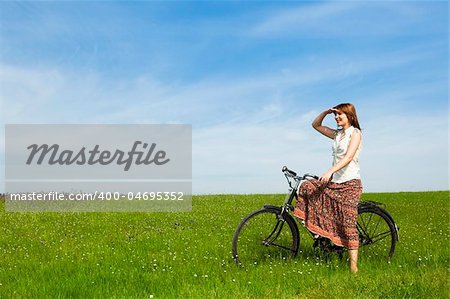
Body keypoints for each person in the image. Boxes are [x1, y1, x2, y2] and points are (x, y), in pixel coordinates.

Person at [293, 103, 363, 273]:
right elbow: (316, 125)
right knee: (307, 187)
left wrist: (330, 171)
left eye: (340, 115)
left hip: (350, 184)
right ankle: (319, 231)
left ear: (350, 116)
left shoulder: (355, 133)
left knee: (348, 224)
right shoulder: (338, 134)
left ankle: (353, 268)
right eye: (336, 115)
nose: (337, 117)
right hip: (336, 182)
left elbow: (348, 157)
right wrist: (326, 111)